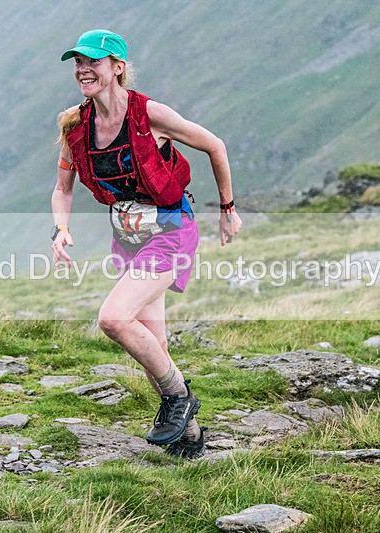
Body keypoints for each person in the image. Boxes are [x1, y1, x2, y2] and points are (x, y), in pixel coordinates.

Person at [51, 29, 241, 459]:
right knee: (155, 343)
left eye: (93, 62)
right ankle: (189, 437)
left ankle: (179, 398)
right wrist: (60, 229)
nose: (83, 70)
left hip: (170, 232)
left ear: (118, 67)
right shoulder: (75, 125)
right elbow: (62, 189)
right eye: (78, 62)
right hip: (128, 238)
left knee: (114, 319)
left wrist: (227, 208)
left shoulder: (149, 114)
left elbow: (215, 146)